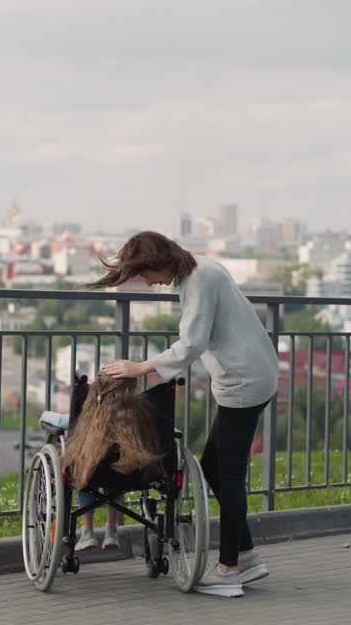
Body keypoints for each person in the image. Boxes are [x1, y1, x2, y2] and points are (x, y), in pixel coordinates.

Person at [90, 231, 278, 598]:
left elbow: (192, 343)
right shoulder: (201, 271)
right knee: (212, 467)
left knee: (230, 472)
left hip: (244, 380)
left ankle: (229, 569)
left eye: (145, 274)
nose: (147, 282)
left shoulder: (199, 280)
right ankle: (247, 554)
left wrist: (140, 368)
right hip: (249, 374)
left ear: (158, 262)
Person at [62, 375, 165, 551]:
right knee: (119, 470)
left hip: (92, 472)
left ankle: (87, 531)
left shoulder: (89, 415)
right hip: (129, 474)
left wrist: (46, 418)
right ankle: (111, 530)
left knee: (84, 470)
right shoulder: (142, 414)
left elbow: (67, 423)